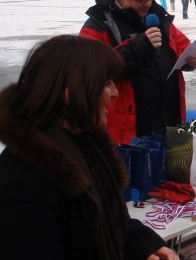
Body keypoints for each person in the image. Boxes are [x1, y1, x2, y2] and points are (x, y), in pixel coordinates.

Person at [0, 35, 179, 260]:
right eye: (105, 84)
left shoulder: (85, 144)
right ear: (68, 92)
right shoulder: (22, 177)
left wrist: (143, 245)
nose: (115, 92)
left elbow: (108, 219)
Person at [80, 0, 196, 144]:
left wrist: (192, 59)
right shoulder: (99, 25)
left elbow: (182, 47)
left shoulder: (159, 18)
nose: (148, 4)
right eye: (141, 0)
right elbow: (90, 70)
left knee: (173, 171)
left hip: (170, 123)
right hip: (128, 130)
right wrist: (138, 46)